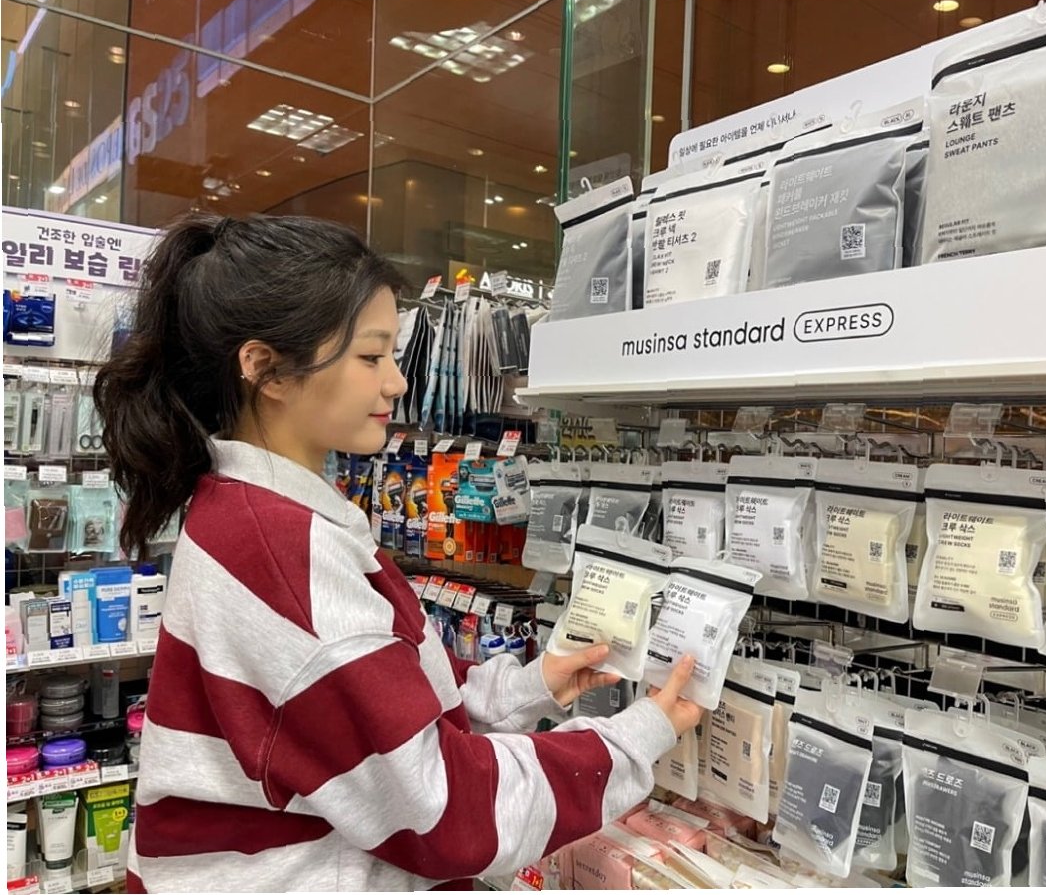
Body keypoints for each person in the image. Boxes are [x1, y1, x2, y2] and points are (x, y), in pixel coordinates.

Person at [94, 213, 703, 892]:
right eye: (370, 357)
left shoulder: (254, 515)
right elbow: (445, 812)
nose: (397, 383)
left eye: (394, 355)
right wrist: (637, 738)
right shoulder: (282, 555)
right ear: (267, 370)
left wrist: (527, 687)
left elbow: (373, 712)